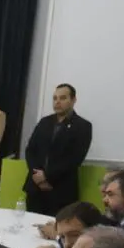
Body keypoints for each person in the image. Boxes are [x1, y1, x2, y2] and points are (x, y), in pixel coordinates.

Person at [23, 83, 92, 215]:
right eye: (55, 98)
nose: (57, 102)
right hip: (35, 188)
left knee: (57, 231)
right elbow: (30, 150)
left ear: (73, 100)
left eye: (62, 98)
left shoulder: (83, 126)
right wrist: (37, 175)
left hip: (61, 190)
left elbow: (74, 159)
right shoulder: (44, 122)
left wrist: (47, 177)